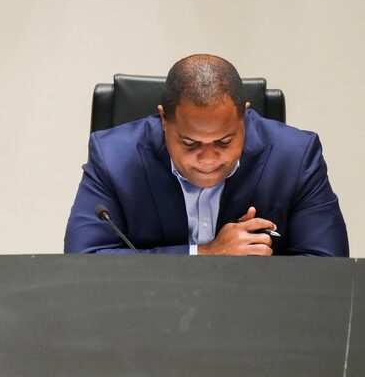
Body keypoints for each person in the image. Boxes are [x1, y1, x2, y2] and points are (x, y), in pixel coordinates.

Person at [64, 54, 348, 256]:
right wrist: (206, 254)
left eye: (224, 141)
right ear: (165, 120)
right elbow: (84, 259)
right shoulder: (113, 157)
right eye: (190, 143)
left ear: (245, 115)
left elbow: (327, 265)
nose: (209, 159)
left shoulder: (295, 157)